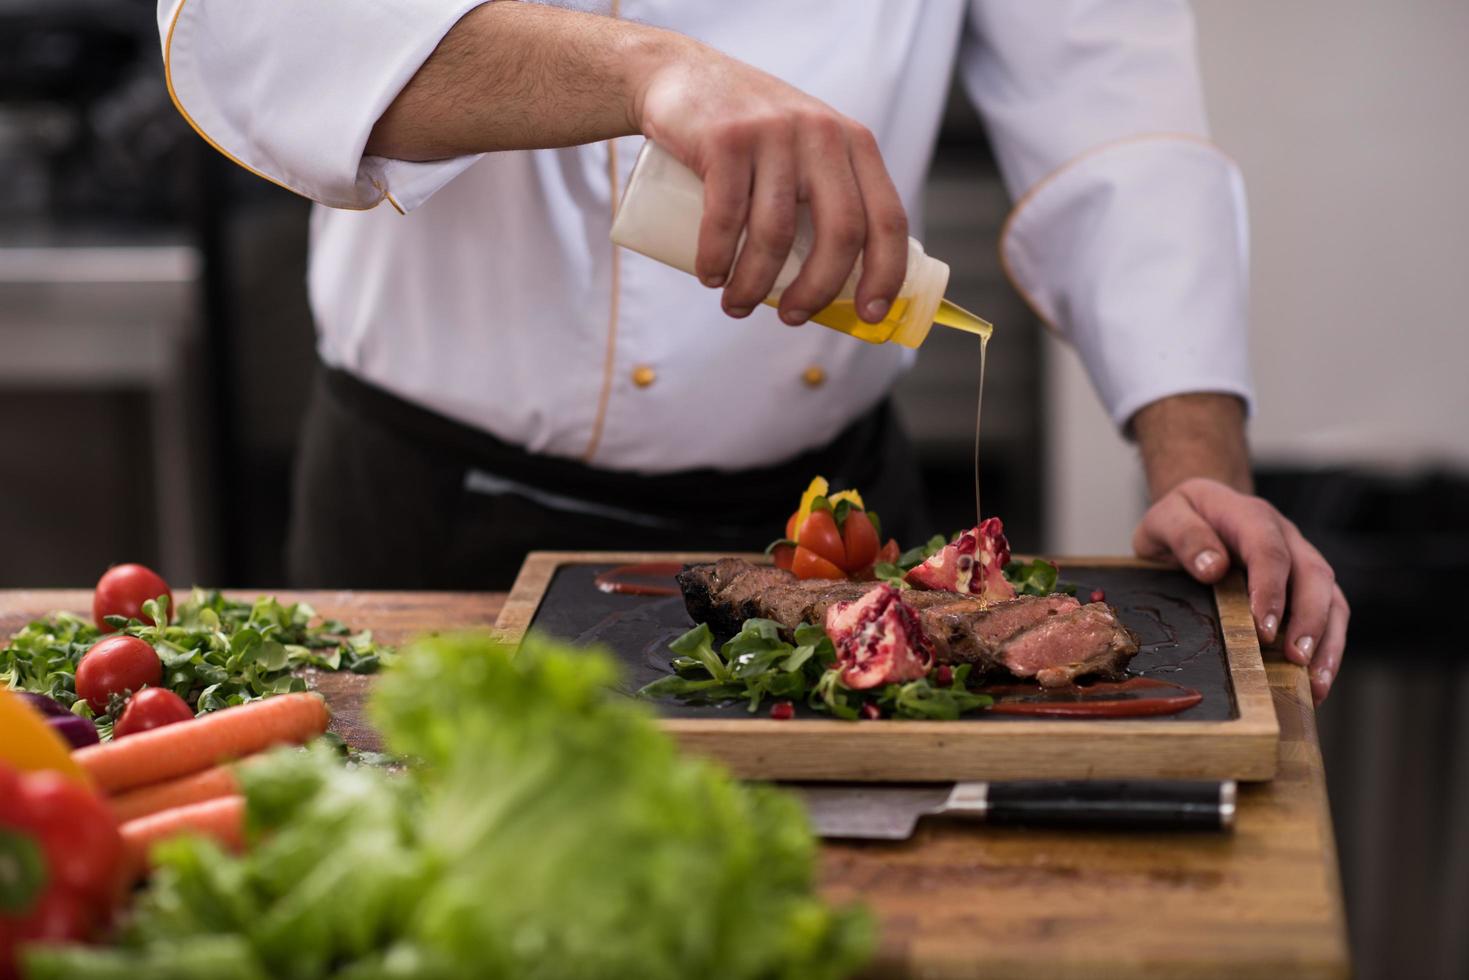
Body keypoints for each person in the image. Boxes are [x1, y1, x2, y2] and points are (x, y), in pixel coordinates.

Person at [155, 0, 1346, 702]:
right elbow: (265, 23)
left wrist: (1197, 467)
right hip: (434, 518)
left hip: (840, 531)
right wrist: (645, 68)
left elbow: (1114, 113)